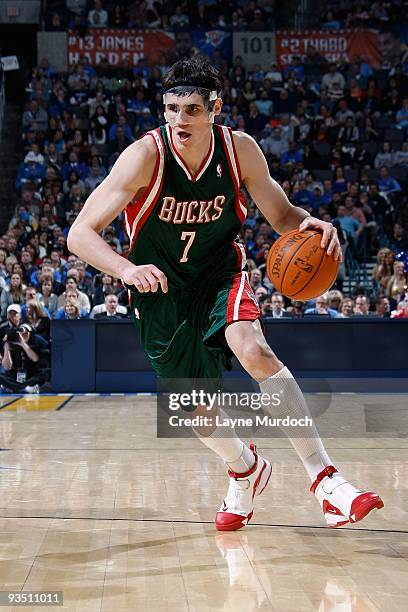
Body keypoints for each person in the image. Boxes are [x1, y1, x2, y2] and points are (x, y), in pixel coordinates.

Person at [68, 57, 383, 531]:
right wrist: (126, 269)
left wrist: (309, 223)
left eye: (191, 110)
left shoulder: (240, 151)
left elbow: (281, 215)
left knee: (254, 350)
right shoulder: (144, 155)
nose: (178, 121)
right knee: (195, 410)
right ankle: (245, 469)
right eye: (170, 109)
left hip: (219, 272)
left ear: (215, 107)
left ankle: (325, 479)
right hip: (162, 291)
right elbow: (80, 234)